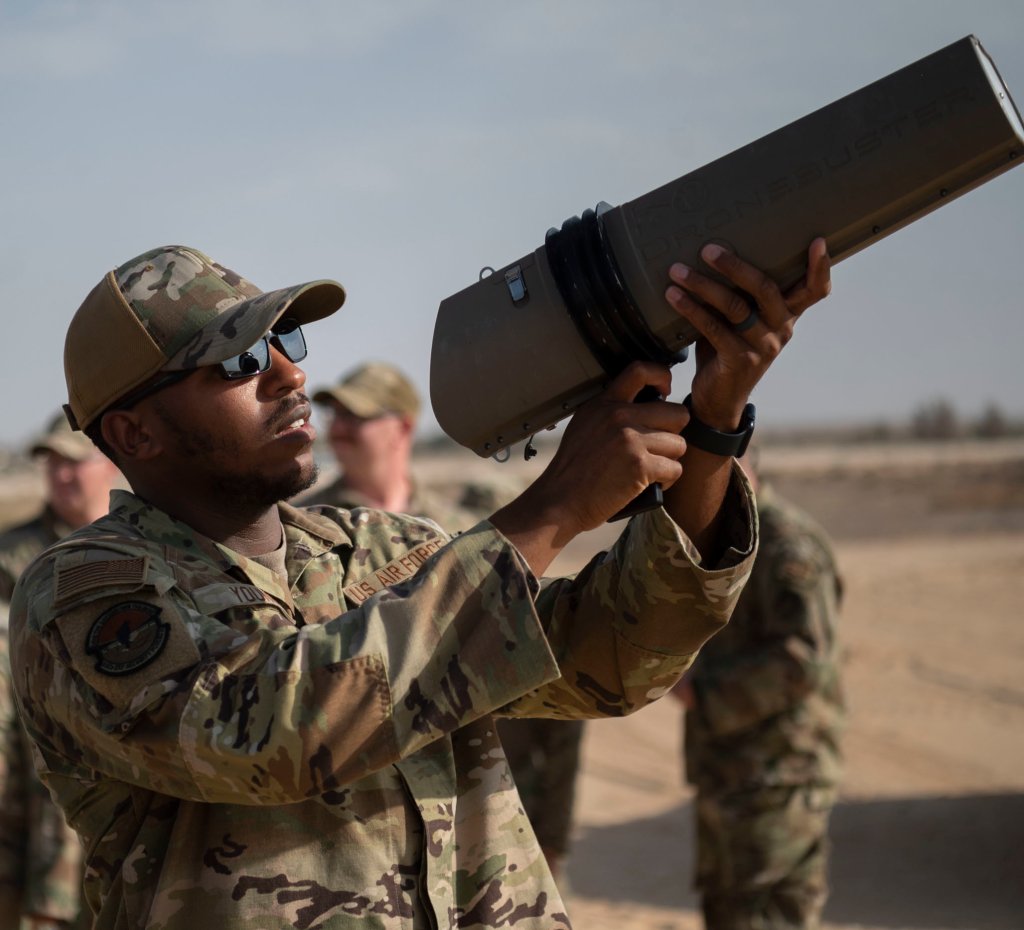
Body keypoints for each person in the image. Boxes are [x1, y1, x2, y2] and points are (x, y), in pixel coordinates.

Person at [8, 238, 831, 929]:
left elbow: (613, 659)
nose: (290, 377)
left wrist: (715, 420)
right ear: (134, 432)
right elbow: (271, 732)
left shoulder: (384, 549)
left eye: (287, 344)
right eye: (240, 361)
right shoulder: (83, 592)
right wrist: (547, 512)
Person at [302, 361, 584, 882]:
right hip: (369, 819)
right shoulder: (302, 535)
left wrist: (554, 833)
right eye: (333, 414)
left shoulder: (459, 534)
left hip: (483, 802)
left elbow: (544, 671)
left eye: (356, 415)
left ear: (403, 427)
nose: (337, 428)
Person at [676, 449, 845, 930]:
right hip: (728, 772)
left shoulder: (787, 545)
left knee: (769, 915)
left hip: (779, 777)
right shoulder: (720, 539)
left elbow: (805, 658)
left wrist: (703, 694)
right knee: (726, 909)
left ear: (741, 467)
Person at [0, 413, 121, 929]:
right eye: (52, 463)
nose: (62, 476)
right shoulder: (11, 555)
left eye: (74, 462)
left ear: (111, 464)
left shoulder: (150, 543)